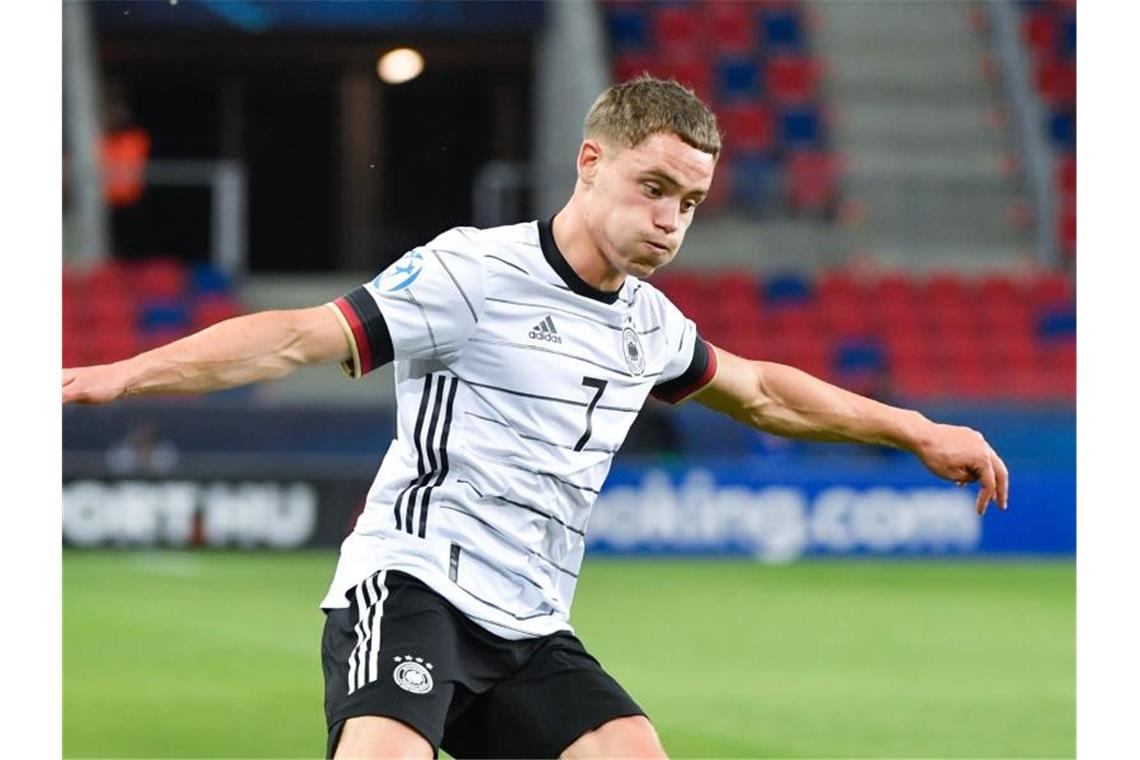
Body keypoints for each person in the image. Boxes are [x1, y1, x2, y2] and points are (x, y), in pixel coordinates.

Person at [62, 77, 1009, 759]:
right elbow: (298, 337)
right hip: (416, 588)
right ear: (590, 163)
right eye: (654, 188)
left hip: (531, 626)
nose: (672, 220)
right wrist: (124, 375)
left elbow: (761, 391)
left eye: (690, 202)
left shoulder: (646, 322)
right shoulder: (474, 272)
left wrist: (913, 428)